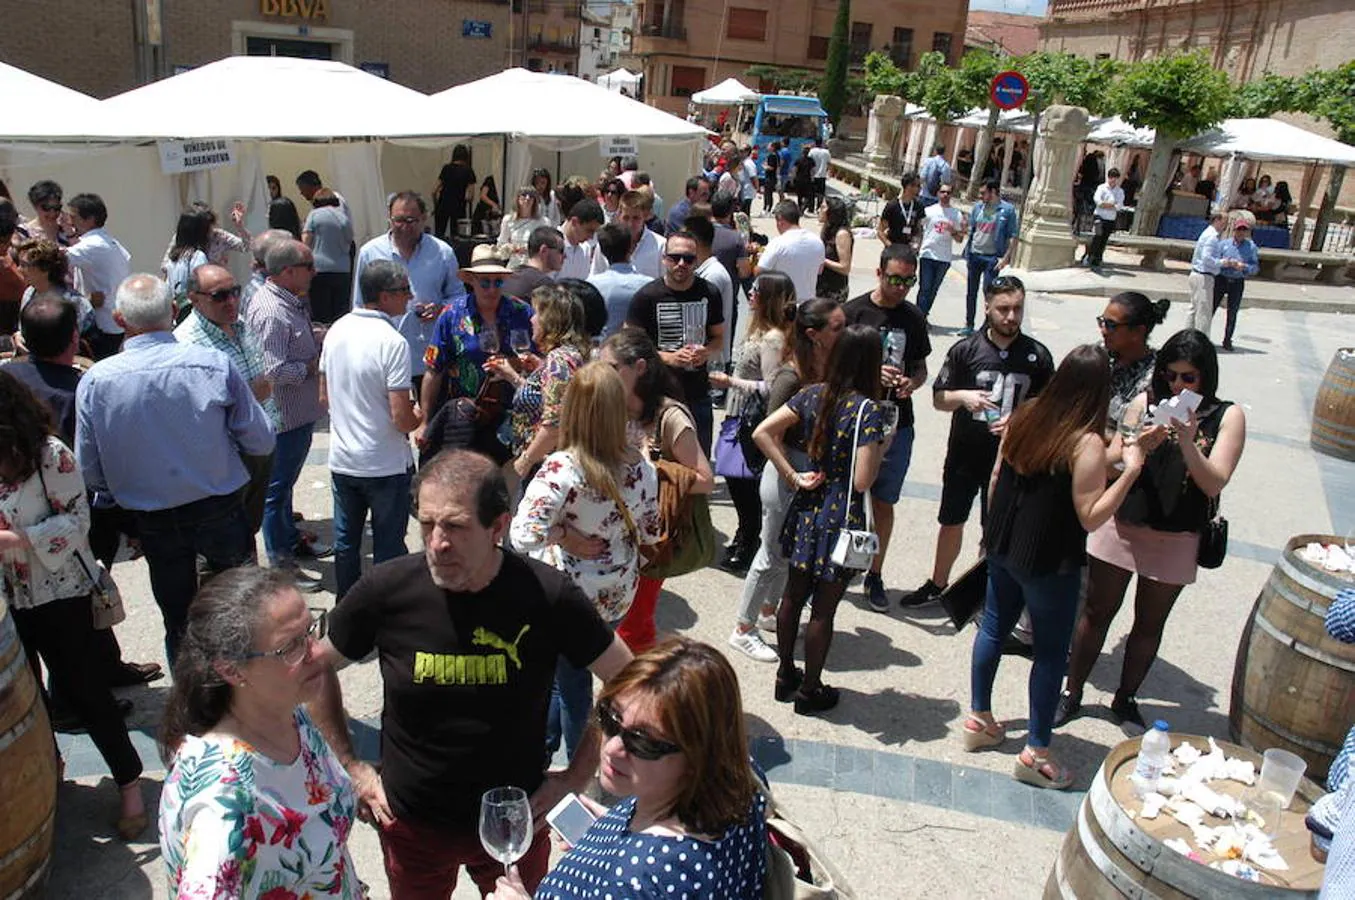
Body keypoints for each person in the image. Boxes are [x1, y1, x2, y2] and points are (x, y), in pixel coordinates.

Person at [304, 450, 634, 897]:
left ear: (498, 527)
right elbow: (314, 669)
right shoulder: (387, 590)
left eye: (455, 527)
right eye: (426, 524)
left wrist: (577, 775)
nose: (437, 543)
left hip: (515, 826)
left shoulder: (547, 594)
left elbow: (631, 679)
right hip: (412, 823)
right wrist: (351, 767)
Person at [965, 344, 1145, 790]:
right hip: (1049, 560)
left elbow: (997, 477)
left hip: (1005, 543)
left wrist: (991, 537)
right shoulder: (1084, 440)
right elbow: (1090, 515)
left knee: (993, 627)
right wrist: (1130, 472)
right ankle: (1037, 751)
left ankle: (979, 719)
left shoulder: (1027, 413)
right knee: (1049, 653)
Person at [76, 274, 275, 663]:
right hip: (218, 506)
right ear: (172, 311)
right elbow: (261, 440)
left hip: (153, 519)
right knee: (243, 611)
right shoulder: (212, 365)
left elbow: (91, 470)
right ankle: (250, 697)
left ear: (119, 319)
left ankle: (194, 706)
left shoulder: (97, 381)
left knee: (180, 622)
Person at [1057, 330, 1246, 730]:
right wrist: (1136, 447)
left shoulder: (1227, 416)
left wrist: (1190, 442)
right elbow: (1111, 464)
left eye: (1188, 378)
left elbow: (1214, 482)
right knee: (1096, 611)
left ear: (1205, 377)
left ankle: (1125, 698)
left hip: (1177, 534)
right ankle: (1072, 691)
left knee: (1148, 624)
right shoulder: (1145, 403)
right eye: (1170, 375)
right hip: (1124, 525)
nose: (1177, 385)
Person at [493, 638, 768, 900]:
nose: (612, 748)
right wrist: (613, 828)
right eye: (610, 719)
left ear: (698, 755)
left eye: (643, 741)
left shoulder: (639, 882)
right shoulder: (743, 779)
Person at [0, 371, 149, 838]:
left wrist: (18, 540)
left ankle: (129, 783)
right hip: (11, 599)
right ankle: (52, 765)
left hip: (61, 596)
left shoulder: (50, 455)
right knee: (29, 694)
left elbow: (77, 522)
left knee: (88, 693)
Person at [158, 568, 361, 896]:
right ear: (231, 669)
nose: (318, 651)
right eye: (291, 647)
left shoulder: (291, 714)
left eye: (311, 631)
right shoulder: (222, 811)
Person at [8, 298, 162, 696]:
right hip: (75, 516)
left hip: (18, 522)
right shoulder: (83, 388)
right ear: (75, 338)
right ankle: (74, 699)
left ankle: (106, 667)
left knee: (86, 599)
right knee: (73, 611)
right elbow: (105, 458)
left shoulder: (8, 379)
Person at [510, 363, 660, 760]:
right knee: (576, 675)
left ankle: (577, 766)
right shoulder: (641, 468)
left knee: (572, 685)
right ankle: (555, 742)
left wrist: (565, 535)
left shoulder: (562, 469)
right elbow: (650, 530)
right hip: (616, 592)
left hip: (568, 598)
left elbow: (522, 534)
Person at [754, 325, 886, 714]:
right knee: (824, 610)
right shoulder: (867, 410)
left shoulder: (812, 394)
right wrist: (881, 445)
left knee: (793, 596)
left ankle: (784, 673)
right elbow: (863, 479)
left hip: (807, 507)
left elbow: (764, 433)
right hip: (840, 518)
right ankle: (811, 689)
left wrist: (792, 476)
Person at [900, 277, 1054, 608]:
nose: (1011, 317)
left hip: (1012, 458)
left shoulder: (1037, 356)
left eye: (1017, 309)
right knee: (951, 519)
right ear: (987, 307)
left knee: (996, 528)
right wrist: (963, 396)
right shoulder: (965, 350)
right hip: (966, 454)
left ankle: (986, 594)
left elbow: (1049, 409)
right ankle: (938, 583)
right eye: (1003, 309)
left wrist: (1019, 421)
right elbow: (939, 399)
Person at [729, 297, 842, 661]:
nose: (845, 333)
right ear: (815, 334)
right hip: (785, 472)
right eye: (837, 327)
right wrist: (791, 475)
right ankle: (742, 629)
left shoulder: (827, 368)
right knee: (770, 554)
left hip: (808, 470)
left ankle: (767, 614)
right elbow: (766, 433)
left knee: (787, 554)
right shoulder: (791, 376)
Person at [602, 330, 715, 654]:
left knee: (632, 629)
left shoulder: (670, 415)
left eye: (611, 369)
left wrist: (652, 468)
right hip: (610, 532)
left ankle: (636, 695)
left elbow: (705, 479)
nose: (603, 377)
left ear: (638, 368)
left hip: (651, 539)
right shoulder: (611, 407)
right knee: (613, 624)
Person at [320, 259, 422, 599]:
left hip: (344, 460)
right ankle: (387, 613)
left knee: (346, 543)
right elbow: (401, 418)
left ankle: (349, 612)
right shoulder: (392, 342)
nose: (410, 297)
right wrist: (419, 415)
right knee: (389, 548)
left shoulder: (336, 330)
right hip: (384, 464)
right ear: (384, 295)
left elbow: (325, 398)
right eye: (404, 290)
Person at [843, 244, 931, 612]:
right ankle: (840, 564)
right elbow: (833, 369)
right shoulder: (854, 312)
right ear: (879, 273)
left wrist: (912, 382)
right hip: (856, 419)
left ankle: (875, 574)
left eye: (908, 281)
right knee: (846, 495)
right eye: (895, 278)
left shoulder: (913, 317)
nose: (901, 287)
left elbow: (922, 368)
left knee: (884, 500)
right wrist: (868, 373)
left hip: (897, 422)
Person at [245, 240, 328, 591]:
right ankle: (281, 566)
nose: (315, 271)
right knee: (275, 493)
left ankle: (291, 542)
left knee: (285, 487)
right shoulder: (272, 311)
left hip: (297, 415)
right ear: (286, 272)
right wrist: (314, 365)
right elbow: (274, 371)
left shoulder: (289, 302)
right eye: (308, 265)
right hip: (284, 418)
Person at [175, 265, 278, 537]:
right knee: (227, 534)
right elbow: (195, 412)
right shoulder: (186, 345)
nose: (231, 301)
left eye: (234, 292)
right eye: (219, 296)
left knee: (248, 527)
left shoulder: (241, 325)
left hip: (259, 444)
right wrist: (248, 397)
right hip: (226, 456)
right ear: (194, 299)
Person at [708, 270, 792, 576]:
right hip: (737, 414)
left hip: (751, 418)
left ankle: (749, 540)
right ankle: (745, 535)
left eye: (756, 290)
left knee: (744, 484)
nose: (751, 294)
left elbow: (773, 386)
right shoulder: (756, 330)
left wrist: (731, 382)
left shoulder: (772, 339)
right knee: (733, 478)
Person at [419, 245, 534, 457]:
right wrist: (425, 421)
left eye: (498, 282)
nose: (492, 289)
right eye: (485, 282)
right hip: (466, 418)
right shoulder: (452, 314)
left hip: (514, 415)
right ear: (471, 281)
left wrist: (514, 364)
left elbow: (539, 359)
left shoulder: (521, 311)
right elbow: (434, 369)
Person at [352, 191, 466, 390]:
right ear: (389, 218)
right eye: (398, 220)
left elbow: (459, 297)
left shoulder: (443, 252)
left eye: (411, 220)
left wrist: (441, 309)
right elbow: (359, 305)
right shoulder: (370, 252)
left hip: (429, 359)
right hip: (384, 358)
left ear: (424, 218)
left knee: (429, 419)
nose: (404, 227)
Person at [625, 231, 724, 456]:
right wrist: (668, 357)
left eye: (688, 259)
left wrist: (706, 352)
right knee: (660, 463)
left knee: (699, 460)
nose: (681, 264)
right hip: (659, 395)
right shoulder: (647, 296)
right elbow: (630, 346)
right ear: (664, 258)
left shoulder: (709, 293)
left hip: (698, 392)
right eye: (675, 257)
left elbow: (718, 337)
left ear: (696, 261)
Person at [495, 285, 589, 482]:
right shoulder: (567, 356)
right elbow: (543, 401)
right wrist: (515, 377)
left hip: (546, 467)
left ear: (551, 320)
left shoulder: (559, 360)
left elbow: (554, 424)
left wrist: (524, 462)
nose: (531, 319)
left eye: (536, 313)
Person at [64, 192, 130, 359]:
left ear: (89, 219)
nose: (70, 222)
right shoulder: (109, 241)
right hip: (114, 321)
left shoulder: (93, 245)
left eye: (74, 217)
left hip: (101, 324)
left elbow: (55, 259)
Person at [1099, 291, 1170, 436]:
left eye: (1111, 325)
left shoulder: (1155, 376)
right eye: (1102, 321)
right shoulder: (1098, 356)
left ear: (1138, 331)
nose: (1103, 331)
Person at [961, 179, 1019, 337]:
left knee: (990, 294)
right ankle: (969, 324)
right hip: (974, 254)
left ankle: (987, 326)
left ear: (993, 192)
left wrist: (1005, 258)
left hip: (992, 258)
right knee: (970, 292)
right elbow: (973, 229)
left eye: (983, 193)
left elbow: (1013, 236)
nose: (980, 196)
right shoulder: (978, 208)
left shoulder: (1006, 210)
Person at [13, 239, 96, 339]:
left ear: (45, 269)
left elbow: (71, 343)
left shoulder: (75, 304)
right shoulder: (29, 293)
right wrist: (18, 336)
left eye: (24, 265)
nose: (19, 269)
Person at [684, 212, 735, 362]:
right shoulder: (704, 271)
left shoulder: (713, 275)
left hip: (712, 362)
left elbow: (704, 322)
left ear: (695, 241)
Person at [588, 222, 652, 337]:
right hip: (637, 348)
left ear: (602, 251)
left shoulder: (591, 286)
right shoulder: (649, 285)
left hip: (601, 349)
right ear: (631, 247)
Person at [302, 187, 355, 325]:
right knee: (340, 315)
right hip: (342, 270)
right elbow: (350, 240)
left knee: (321, 315)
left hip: (320, 270)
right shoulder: (343, 217)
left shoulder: (313, 215)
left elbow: (306, 241)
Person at [756, 200, 825, 304]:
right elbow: (820, 270)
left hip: (782, 305)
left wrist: (759, 259)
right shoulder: (817, 241)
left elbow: (759, 272)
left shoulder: (777, 243)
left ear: (780, 220)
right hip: (807, 305)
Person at [915, 183, 967, 317]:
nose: (945, 195)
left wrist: (953, 231)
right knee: (925, 289)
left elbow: (960, 239)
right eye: (943, 192)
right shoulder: (929, 211)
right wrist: (917, 245)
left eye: (948, 192)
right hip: (927, 254)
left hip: (943, 258)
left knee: (933, 290)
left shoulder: (956, 215)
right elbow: (919, 228)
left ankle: (924, 316)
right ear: (938, 193)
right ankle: (919, 317)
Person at [592, 189, 666, 279]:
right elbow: (595, 277)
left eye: (636, 218)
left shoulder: (660, 246)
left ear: (645, 217)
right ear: (619, 216)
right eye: (626, 218)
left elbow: (664, 282)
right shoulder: (605, 243)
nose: (630, 224)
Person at [1213, 220, 1259, 352]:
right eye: (1239, 230)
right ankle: (1204, 335)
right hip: (1221, 279)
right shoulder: (1224, 244)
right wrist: (1225, 263)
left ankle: (1227, 339)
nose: (1241, 233)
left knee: (1232, 312)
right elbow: (1215, 261)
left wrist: (1244, 267)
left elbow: (1255, 268)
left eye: (1244, 230)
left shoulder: (1251, 247)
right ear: (1234, 231)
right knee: (1211, 308)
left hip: (1237, 281)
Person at [162, 206, 212, 314]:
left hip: (176, 312)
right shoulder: (197, 257)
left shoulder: (173, 257)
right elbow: (204, 288)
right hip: (192, 313)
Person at [1184, 212, 1226, 335]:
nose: (1226, 225)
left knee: (1194, 308)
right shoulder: (1212, 236)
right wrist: (1222, 262)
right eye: (1225, 221)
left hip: (1197, 274)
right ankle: (1201, 340)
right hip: (1204, 276)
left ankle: (1188, 335)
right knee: (1204, 312)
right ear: (1217, 220)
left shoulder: (1207, 233)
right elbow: (1206, 258)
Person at [503, 225, 565, 301]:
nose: (565, 256)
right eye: (561, 250)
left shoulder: (508, 277)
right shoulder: (545, 286)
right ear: (544, 250)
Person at [500, 187, 555, 269]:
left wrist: (529, 249)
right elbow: (501, 246)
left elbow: (549, 246)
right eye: (524, 195)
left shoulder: (544, 222)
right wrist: (510, 248)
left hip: (535, 266)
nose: (527, 198)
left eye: (531, 196)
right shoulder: (508, 220)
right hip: (515, 266)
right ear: (517, 199)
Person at [433, 144, 478, 240]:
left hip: (443, 203)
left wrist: (436, 203)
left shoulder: (446, 168)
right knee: (457, 236)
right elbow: (470, 196)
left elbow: (434, 190)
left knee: (439, 234)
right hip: (459, 205)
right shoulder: (468, 171)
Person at [816, 197, 854, 304]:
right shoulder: (827, 228)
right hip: (821, 286)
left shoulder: (842, 234)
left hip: (834, 290)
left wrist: (822, 260)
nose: (819, 210)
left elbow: (845, 267)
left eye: (823, 207)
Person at [1084, 168, 1124, 269]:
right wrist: (1108, 204)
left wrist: (1109, 205)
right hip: (1099, 216)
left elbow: (1119, 205)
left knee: (1104, 239)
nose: (1113, 181)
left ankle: (1098, 258)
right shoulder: (1102, 188)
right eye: (1111, 178)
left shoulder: (1119, 191)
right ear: (1108, 177)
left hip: (1110, 218)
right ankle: (1090, 256)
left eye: (1115, 179)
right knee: (1097, 235)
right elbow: (1098, 200)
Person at [558, 199, 605, 281]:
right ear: (574, 222)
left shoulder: (586, 249)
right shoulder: (551, 245)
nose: (591, 237)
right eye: (589, 230)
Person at [878, 172, 927, 250]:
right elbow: (880, 231)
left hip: (909, 250)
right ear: (908, 186)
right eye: (917, 186)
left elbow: (920, 229)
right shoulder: (892, 205)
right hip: (893, 248)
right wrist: (890, 246)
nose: (919, 189)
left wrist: (917, 245)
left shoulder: (919, 206)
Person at [21, 180, 69, 246]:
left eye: (57, 207)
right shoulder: (23, 233)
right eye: (46, 208)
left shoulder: (67, 231)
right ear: (35, 206)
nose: (52, 213)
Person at [807, 138, 832, 212]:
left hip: (813, 175)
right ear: (822, 143)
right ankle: (818, 208)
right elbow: (829, 163)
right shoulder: (826, 152)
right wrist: (829, 172)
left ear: (815, 143)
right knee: (820, 193)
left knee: (811, 193)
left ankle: (810, 208)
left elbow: (809, 161)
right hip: (822, 175)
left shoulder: (812, 151)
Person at [791, 146, 815, 213]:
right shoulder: (811, 160)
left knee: (799, 195)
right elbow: (812, 171)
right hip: (807, 180)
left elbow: (795, 170)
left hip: (799, 179)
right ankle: (803, 206)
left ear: (802, 152)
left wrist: (792, 179)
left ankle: (800, 207)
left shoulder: (798, 160)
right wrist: (812, 179)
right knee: (807, 195)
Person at [761, 143, 780, 214]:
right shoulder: (776, 155)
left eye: (769, 145)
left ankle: (766, 208)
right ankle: (767, 208)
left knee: (767, 193)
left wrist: (765, 166)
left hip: (770, 177)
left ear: (772, 147)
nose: (767, 147)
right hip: (772, 177)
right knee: (769, 193)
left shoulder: (772, 156)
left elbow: (772, 167)